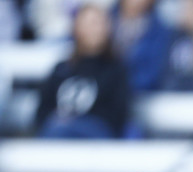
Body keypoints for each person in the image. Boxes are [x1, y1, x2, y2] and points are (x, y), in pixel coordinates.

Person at [35, 2, 131, 138]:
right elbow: (42, 113)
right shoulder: (61, 69)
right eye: (88, 23)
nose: (94, 30)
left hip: (97, 139)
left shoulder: (116, 70)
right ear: (76, 28)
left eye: (98, 23)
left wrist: (78, 121)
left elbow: (117, 117)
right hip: (58, 135)